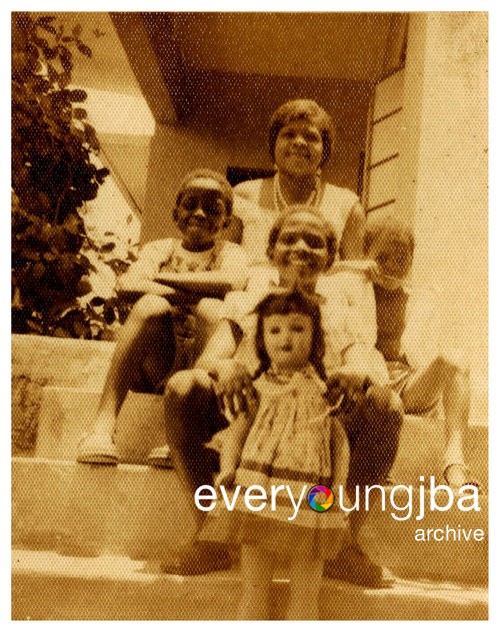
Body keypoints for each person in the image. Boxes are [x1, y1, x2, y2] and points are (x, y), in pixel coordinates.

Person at [162, 207, 403, 584]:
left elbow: (363, 363)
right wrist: (226, 367)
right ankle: (212, 533)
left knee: (386, 405)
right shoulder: (247, 303)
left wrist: (357, 372)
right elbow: (211, 359)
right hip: (253, 419)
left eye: (315, 242)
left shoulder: (340, 313)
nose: (301, 248)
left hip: (313, 429)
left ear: (331, 257)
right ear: (271, 250)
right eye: (289, 239)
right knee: (183, 387)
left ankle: (342, 543)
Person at [76, 169, 248, 465]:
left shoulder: (231, 252)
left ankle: (186, 433)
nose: (199, 213)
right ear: (175, 214)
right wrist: (194, 291)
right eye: (190, 204)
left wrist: (158, 279)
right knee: (151, 306)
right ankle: (102, 425)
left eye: (212, 208)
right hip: (158, 360)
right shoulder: (160, 248)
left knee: (211, 309)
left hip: (201, 368)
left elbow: (231, 282)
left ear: (226, 221)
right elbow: (128, 286)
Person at [205, 289, 349, 620]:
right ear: (262, 339)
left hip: (312, 493)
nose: (286, 338)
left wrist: (339, 485)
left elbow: (338, 439)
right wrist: (228, 469)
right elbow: (237, 432)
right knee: (254, 588)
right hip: (258, 487)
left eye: (298, 328)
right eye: (275, 330)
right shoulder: (257, 389)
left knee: (306, 591)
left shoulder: (325, 392)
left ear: (315, 338)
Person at [363, 215, 476, 489]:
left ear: (411, 261)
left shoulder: (418, 300)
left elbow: (421, 354)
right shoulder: (356, 290)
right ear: (366, 254)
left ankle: (454, 461)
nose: (392, 266)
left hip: (408, 387)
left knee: (455, 361)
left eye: (401, 259)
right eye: (383, 257)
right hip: (368, 388)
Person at [232, 98, 366, 265]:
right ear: (274, 144)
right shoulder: (243, 197)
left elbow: (354, 274)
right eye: (289, 134)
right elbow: (222, 268)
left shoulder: (347, 206)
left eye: (310, 137)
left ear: (324, 150)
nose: (299, 142)